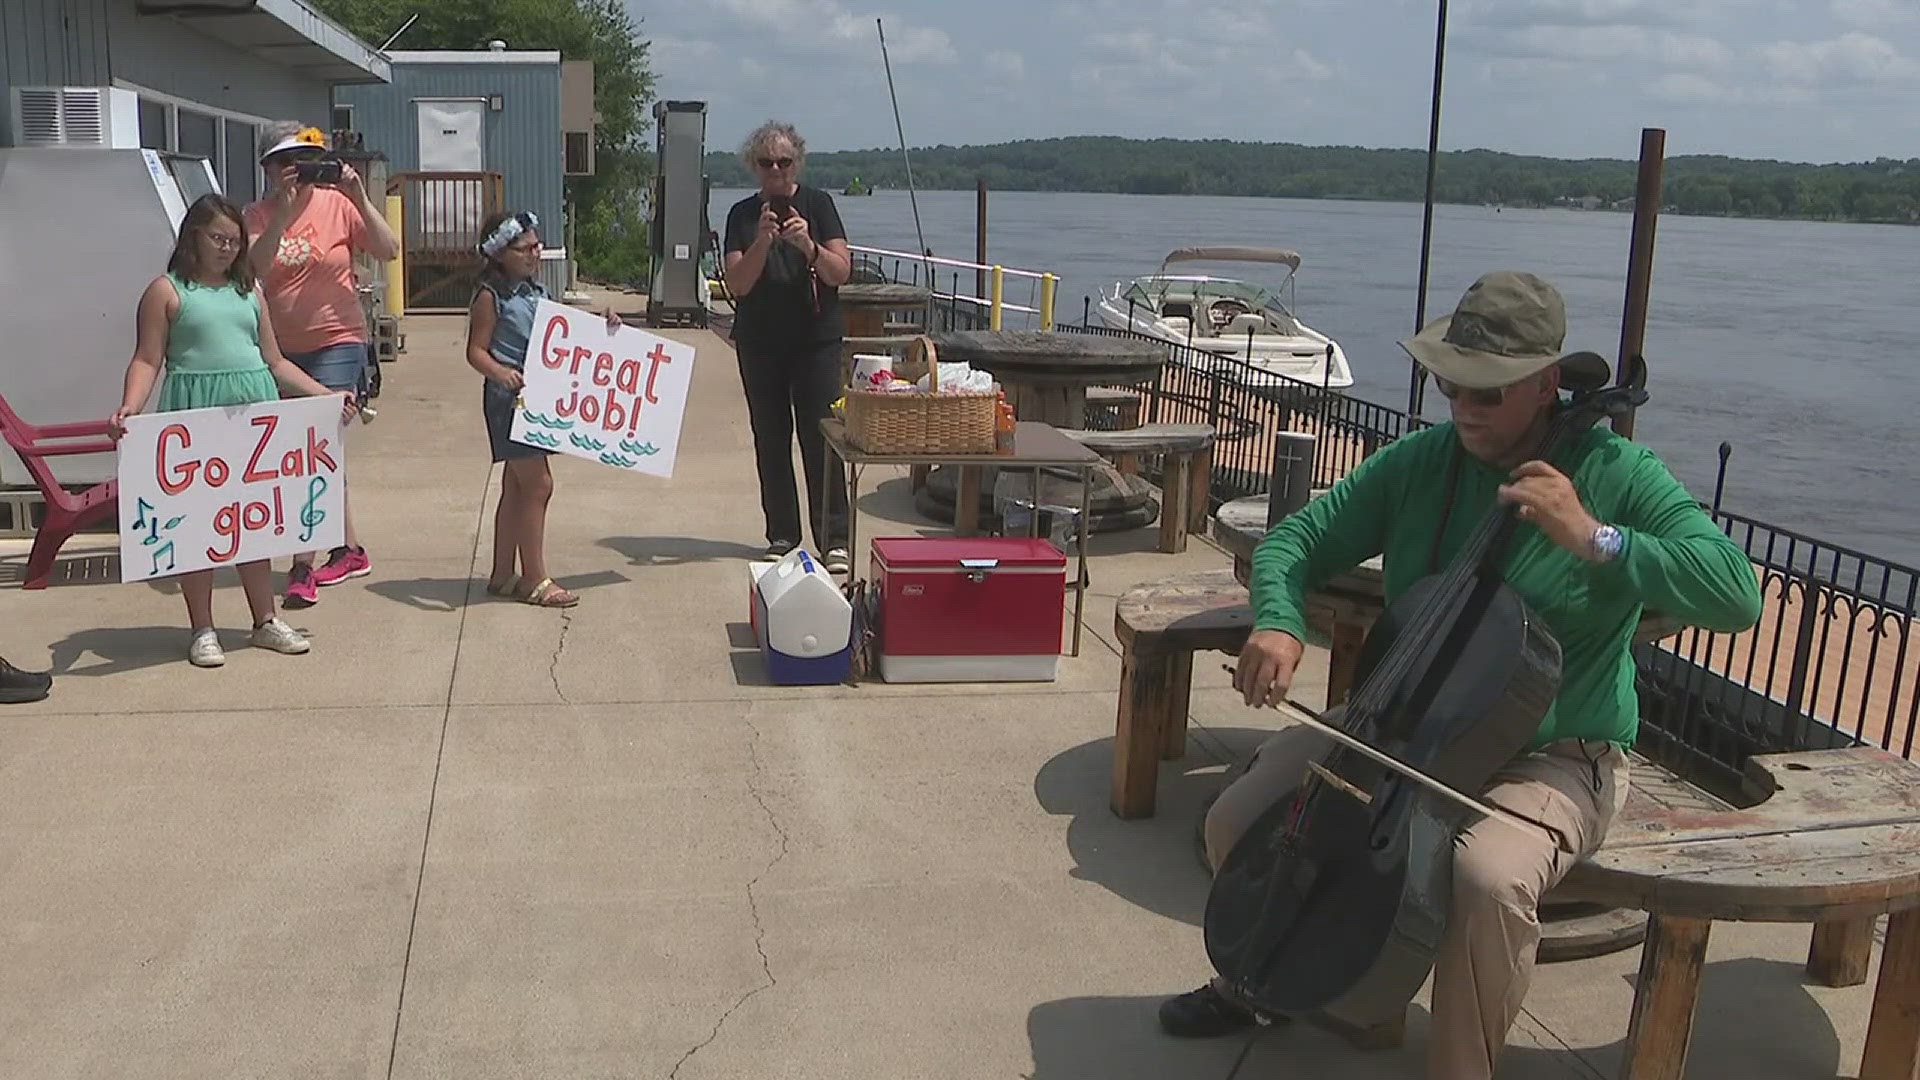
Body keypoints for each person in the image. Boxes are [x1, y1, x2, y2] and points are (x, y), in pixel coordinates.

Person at [1158, 272, 1763, 1079]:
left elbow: (1737, 592)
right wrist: (1278, 620)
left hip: (1556, 749)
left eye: (1490, 389)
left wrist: (1597, 537)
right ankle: (1260, 983)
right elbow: (1296, 539)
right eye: (1452, 384)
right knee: (1238, 821)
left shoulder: (1615, 471)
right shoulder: (1423, 462)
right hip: (1406, 725)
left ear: (1549, 384)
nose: (1466, 407)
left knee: (1487, 879)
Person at [111, 194, 357, 668]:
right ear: (193, 239)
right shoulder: (166, 291)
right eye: (218, 239)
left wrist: (325, 395)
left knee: (251, 524)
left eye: (234, 241)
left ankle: (264, 620)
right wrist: (130, 407)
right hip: (194, 414)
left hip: (254, 415)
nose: (227, 249)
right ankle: (202, 627)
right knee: (197, 526)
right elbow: (147, 358)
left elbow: (276, 360)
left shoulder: (249, 290)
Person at [244, 121, 401, 607]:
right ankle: (348, 548)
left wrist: (357, 194)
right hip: (279, 350)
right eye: (286, 161)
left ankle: (301, 565)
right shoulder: (255, 214)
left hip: (338, 340)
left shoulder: (337, 205)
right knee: (309, 453)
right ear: (269, 168)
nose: (298, 170)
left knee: (313, 447)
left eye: (306, 159)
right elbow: (252, 270)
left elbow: (388, 249)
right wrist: (281, 216)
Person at [464, 210, 621, 608]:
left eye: (538, 246)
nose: (536, 253)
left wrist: (601, 324)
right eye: (527, 248)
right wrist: (501, 373)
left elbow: (566, 330)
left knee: (517, 486)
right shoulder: (490, 296)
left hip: (537, 398)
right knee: (539, 484)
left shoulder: (537, 293)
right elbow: (476, 352)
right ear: (502, 253)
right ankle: (535, 578)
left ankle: (503, 573)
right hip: (509, 401)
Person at [722, 120, 854, 573]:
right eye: (766, 162)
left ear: (797, 161)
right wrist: (762, 240)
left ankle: (834, 537)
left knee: (822, 438)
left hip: (815, 339)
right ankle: (782, 533)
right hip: (760, 342)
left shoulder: (819, 204)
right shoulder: (742, 214)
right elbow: (737, 284)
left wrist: (808, 246)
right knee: (771, 439)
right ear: (753, 167)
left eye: (784, 161)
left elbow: (841, 271)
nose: (776, 169)